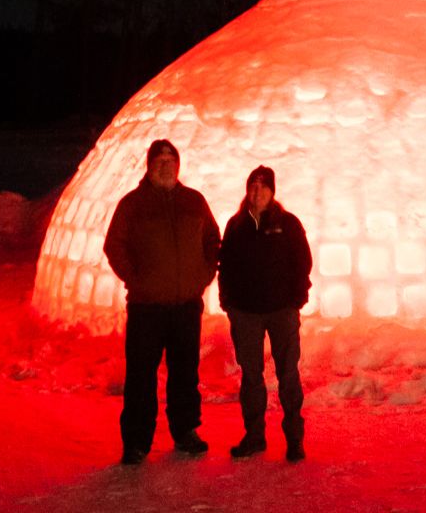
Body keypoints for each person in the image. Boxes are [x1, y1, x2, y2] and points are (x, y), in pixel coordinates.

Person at [102, 137, 221, 465]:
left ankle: (185, 431)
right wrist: (136, 278)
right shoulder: (132, 204)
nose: (166, 167)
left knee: (185, 372)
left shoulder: (194, 201)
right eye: (160, 162)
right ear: (150, 166)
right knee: (141, 375)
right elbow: (114, 245)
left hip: (186, 305)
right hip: (147, 307)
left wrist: (204, 274)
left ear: (178, 166)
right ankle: (137, 441)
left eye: (171, 161)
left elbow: (212, 239)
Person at [218, 164, 312, 462]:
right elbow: (225, 266)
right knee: (251, 376)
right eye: (253, 186)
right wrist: (228, 301)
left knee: (288, 374)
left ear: (272, 191)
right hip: (246, 313)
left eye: (263, 186)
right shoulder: (236, 225)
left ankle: (294, 438)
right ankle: (255, 436)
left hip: (282, 310)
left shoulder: (288, 223)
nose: (257, 192)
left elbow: (303, 262)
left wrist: (297, 297)